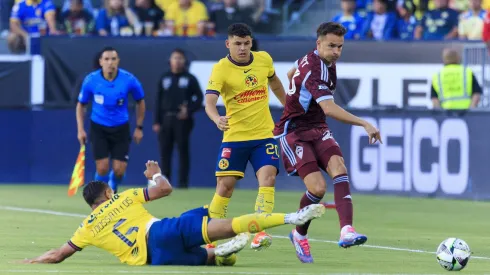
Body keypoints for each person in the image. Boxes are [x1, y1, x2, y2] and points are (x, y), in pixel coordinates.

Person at [21, 161, 325, 266]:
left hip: (156, 259)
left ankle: (220, 252)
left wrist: (33, 260)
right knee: (222, 222)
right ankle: (290, 218)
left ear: (91, 206)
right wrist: (155, 174)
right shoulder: (122, 198)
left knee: (215, 260)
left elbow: (59, 254)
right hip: (162, 231)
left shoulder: (84, 228)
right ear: (108, 194)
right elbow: (165, 189)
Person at [273, 22, 381, 263]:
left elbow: (291, 74)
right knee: (318, 189)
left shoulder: (317, 60)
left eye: (340, 47)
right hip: (294, 132)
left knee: (339, 169)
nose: (336, 51)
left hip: (317, 127)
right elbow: (329, 108)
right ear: (318, 43)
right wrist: (364, 123)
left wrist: (292, 98)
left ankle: (347, 231)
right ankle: (299, 233)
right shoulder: (316, 69)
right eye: (331, 46)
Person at [205, 23, 286, 251]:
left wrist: (289, 107)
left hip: (264, 135)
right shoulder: (221, 69)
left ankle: (260, 231)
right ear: (227, 44)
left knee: (268, 178)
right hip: (235, 137)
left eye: (246, 43)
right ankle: (208, 237)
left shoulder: (263, 60)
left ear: (251, 42)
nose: (242, 48)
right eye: (237, 44)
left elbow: (276, 84)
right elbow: (209, 102)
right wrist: (216, 118)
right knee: (225, 187)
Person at [76, 46, 146, 193]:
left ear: (118, 61)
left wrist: (139, 127)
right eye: (106, 59)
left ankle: (113, 186)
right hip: (99, 127)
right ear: (101, 62)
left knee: (119, 170)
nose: (110, 62)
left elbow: (141, 101)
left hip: (121, 127)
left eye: (113, 59)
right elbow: (81, 105)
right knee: (102, 168)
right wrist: (80, 129)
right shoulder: (91, 80)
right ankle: (101, 196)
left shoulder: (129, 80)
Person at [153, 49, 203, 189]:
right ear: (170, 60)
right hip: (166, 118)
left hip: (182, 120)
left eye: (180, 58)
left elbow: (199, 98)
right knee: (165, 151)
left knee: (183, 150)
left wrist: (189, 110)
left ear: (184, 61)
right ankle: (165, 182)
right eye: (175, 58)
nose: (177, 61)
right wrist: (156, 121)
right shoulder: (164, 78)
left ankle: (182, 183)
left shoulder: (190, 79)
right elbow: (158, 100)